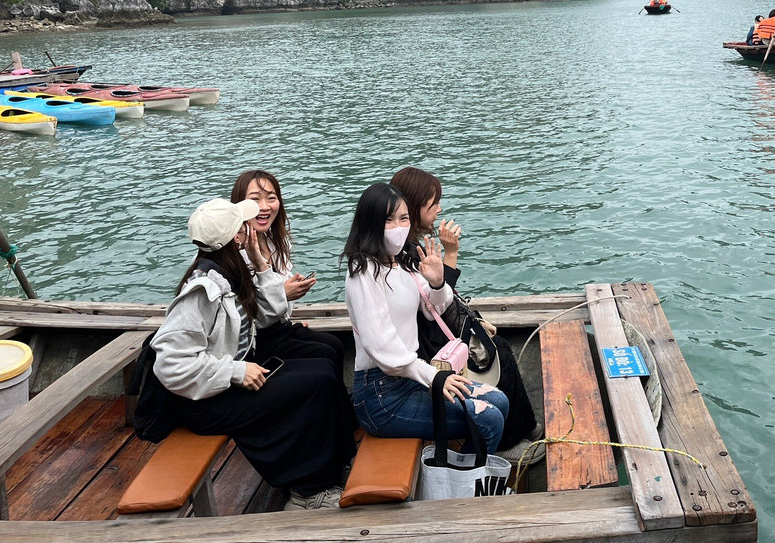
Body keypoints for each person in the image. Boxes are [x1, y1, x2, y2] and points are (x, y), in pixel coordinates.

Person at [152, 198, 355, 511]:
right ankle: (308, 492)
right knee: (316, 385)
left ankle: (334, 464)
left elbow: (266, 314)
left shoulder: (228, 275)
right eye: (244, 225)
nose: (251, 228)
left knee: (323, 371)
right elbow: (170, 363)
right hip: (207, 403)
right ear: (236, 237)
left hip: (227, 384)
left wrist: (261, 263)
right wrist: (235, 371)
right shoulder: (202, 291)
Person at [343, 183, 510, 455]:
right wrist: (434, 376)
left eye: (404, 218)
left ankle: (463, 469)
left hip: (411, 379)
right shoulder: (363, 272)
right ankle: (463, 488)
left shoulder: (399, 263)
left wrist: (437, 282)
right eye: (388, 219)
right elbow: (381, 346)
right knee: (487, 418)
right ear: (370, 223)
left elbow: (437, 308)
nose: (398, 226)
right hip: (381, 396)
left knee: (499, 401)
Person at [390, 167, 543, 461]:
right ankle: (508, 441)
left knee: (493, 344)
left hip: (430, 330)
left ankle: (523, 427)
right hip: (426, 345)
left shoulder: (408, 248)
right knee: (495, 351)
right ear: (411, 206)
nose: (438, 209)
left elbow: (438, 295)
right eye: (432, 204)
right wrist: (451, 254)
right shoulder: (405, 253)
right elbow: (436, 307)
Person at [230, 170, 344, 370]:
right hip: (253, 342)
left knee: (335, 345)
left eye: (271, 198)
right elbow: (240, 318)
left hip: (278, 329)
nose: (264, 207)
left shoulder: (277, 242)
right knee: (324, 356)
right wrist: (282, 294)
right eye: (255, 200)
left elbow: (281, 310)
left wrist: (288, 296)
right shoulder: (233, 253)